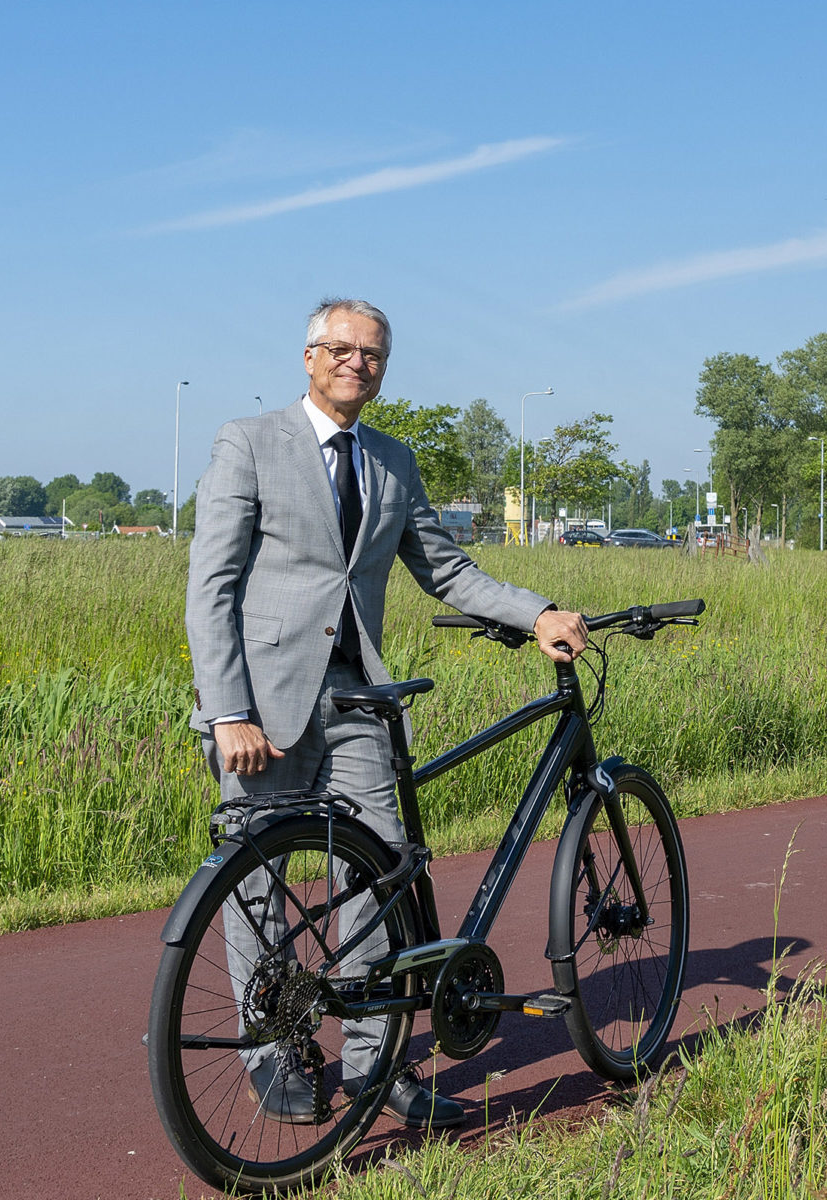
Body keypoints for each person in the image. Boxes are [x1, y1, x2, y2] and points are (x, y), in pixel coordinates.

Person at [185, 298, 589, 1130]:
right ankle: (274, 1046)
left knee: (383, 873)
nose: (355, 363)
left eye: (371, 353)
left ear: (384, 366)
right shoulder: (249, 442)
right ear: (307, 356)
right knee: (256, 878)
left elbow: (448, 572)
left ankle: (380, 1064)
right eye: (339, 348)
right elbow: (212, 586)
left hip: (357, 700)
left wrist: (537, 610)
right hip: (260, 705)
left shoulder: (394, 463)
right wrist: (228, 711)